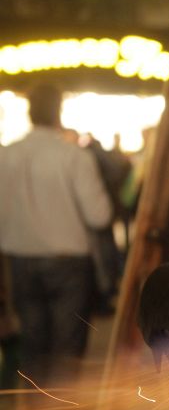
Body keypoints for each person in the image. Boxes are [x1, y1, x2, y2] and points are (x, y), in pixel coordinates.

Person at [0, 83, 112, 391]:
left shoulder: (6, 155)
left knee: (33, 344)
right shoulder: (73, 156)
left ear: (30, 112)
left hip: (20, 259)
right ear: (58, 112)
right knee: (67, 350)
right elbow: (99, 215)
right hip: (68, 262)